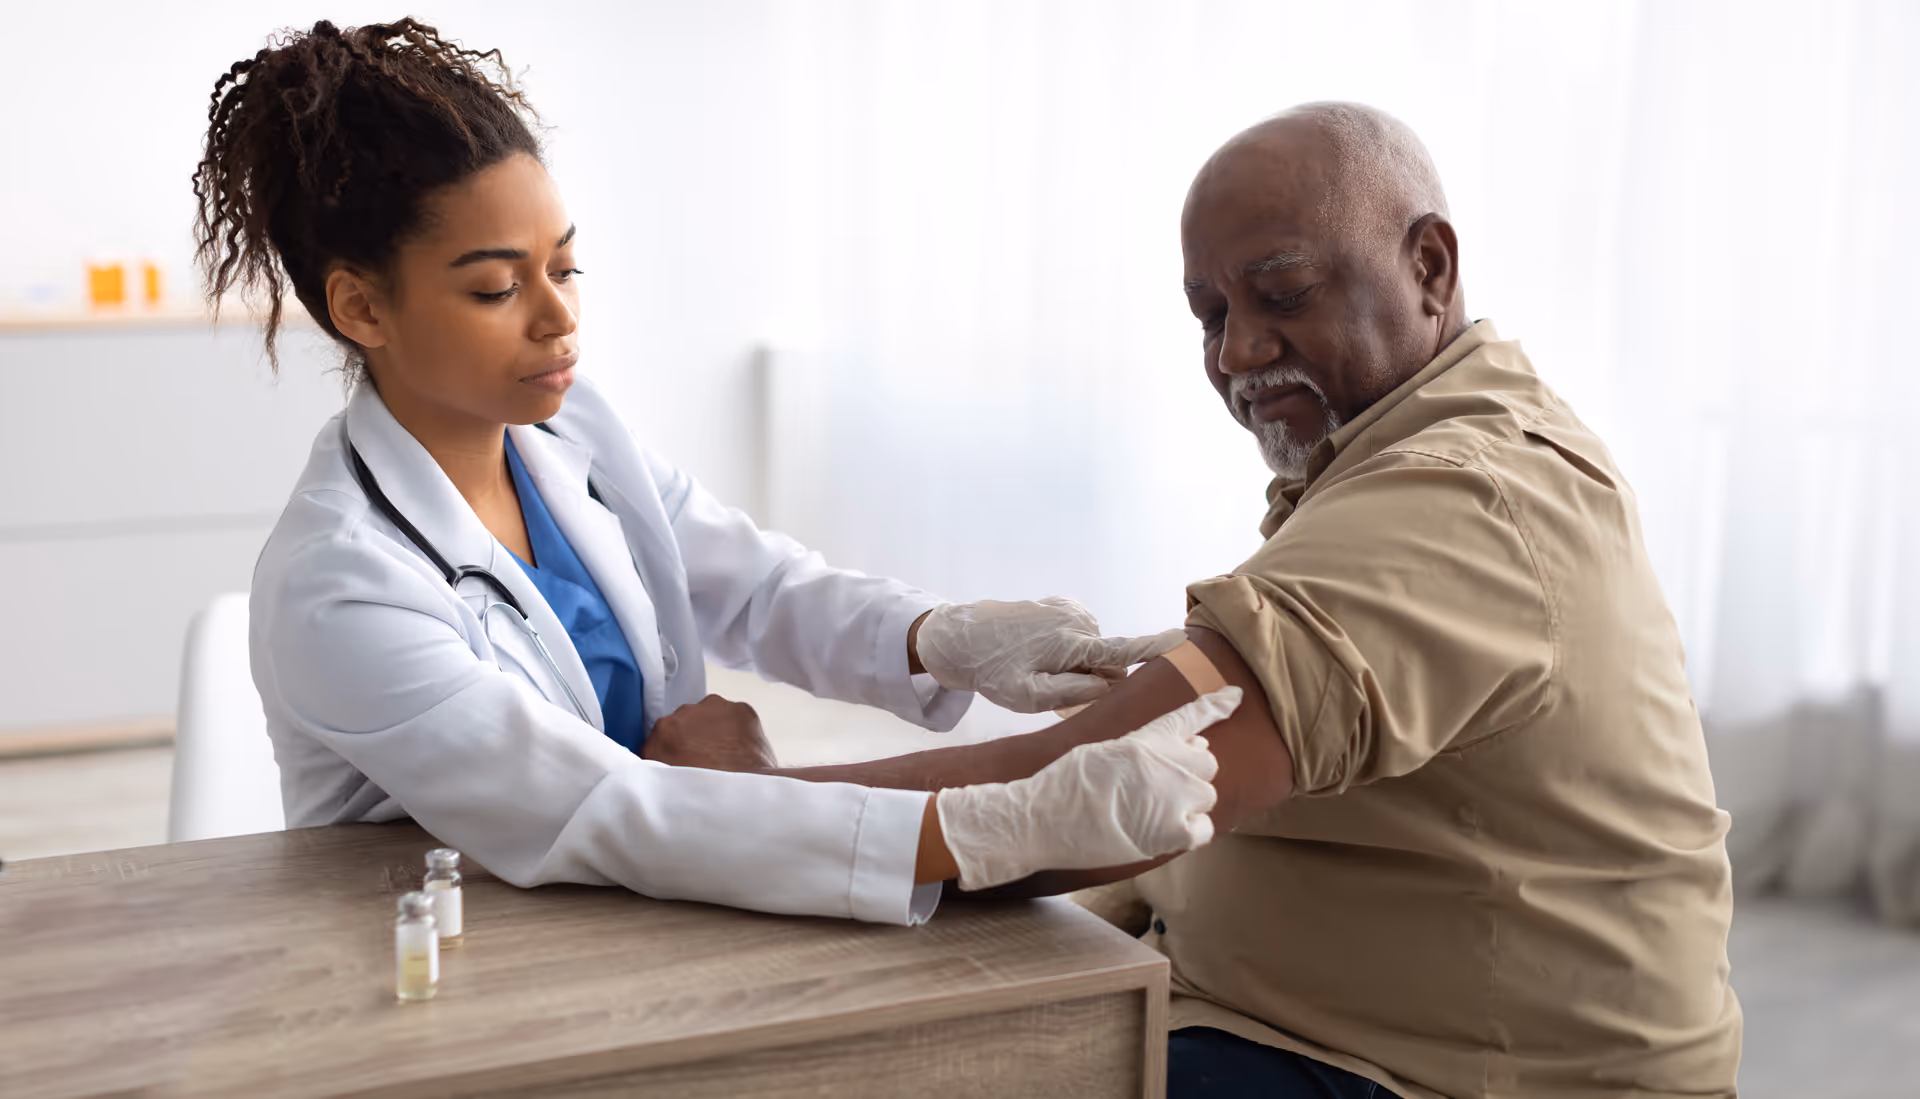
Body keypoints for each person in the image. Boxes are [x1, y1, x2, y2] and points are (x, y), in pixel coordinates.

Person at [656, 103, 1742, 1098]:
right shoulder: (1403, 446)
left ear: (1429, 265)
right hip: (1309, 1017)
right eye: (1210, 313)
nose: (1238, 351)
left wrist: (754, 800)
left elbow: (1091, 789)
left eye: (1282, 294)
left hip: (1419, 1071)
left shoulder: (1465, 497)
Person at [207, 19, 1228, 928]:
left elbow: (754, 584)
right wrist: (981, 827)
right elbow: (599, 807)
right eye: (494, 287)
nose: (559, 317)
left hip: (644, 913)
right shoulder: (338, 583)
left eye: (564, 267)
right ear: (362, 309)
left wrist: (938, 638)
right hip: (456, 956)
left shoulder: (569, 432)